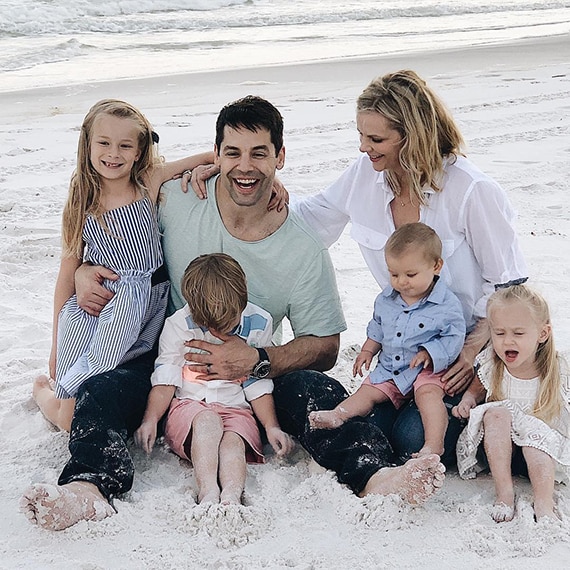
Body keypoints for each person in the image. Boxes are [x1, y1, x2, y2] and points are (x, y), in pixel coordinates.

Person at [23, 95, 445, 532]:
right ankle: (88, 489)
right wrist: (82, 275)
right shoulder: (178, 197)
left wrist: (260, 360)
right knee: (101, 390)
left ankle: (377, 475)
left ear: (280, 157)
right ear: (217, 155)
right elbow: (110, 235)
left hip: (249, 390)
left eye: (259, 154)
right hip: (164, 370)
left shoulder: (302, 248)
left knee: (315, 386)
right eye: (233, 153)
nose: (245, 167)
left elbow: (325, 346)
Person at [188, 70, 528, 463]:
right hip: (402, 352)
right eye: (361, 136)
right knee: (375, 429)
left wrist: (469, 355)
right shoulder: (364, 175)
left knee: (411, 435)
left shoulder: (472, 189)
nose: (365, 148)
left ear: (412, 135)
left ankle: (518, 440)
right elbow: (308, 223)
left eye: (377, 139)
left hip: (470, 350)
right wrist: (249, 180)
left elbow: (510, 288)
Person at [31, 99, 213, 432]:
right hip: (102, 310)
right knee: (69, 413)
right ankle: (44, 394)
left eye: (124, 145)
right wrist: (55, 348)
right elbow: (66, 276)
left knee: (92, 396)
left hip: (145, 310)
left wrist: (206, 169)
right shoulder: (81, 198)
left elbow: (214, 157)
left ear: (139, 151)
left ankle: (57, 399)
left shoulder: (148, 181)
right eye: (103, 143)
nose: (113, 154)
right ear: (87, 144)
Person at [134, 253, 293, 505]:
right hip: (191, 408)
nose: (218, 332)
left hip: (236, 408)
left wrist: (271, 426)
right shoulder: (178, 325)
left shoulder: (260, 322)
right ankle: (207, 490)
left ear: (242, 301)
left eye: (228, 324)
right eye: (208, 326)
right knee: (207, 421)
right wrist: (150, 420)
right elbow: (166, 377)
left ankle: (231, 495)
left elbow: (257, 383)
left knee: (233, 441)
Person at [309, 223, 466, 460]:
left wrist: (430, 352)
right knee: (369, 390)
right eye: (394, 274)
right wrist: (367, 351)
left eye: (410, 275)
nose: (402, 281)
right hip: (393, 365)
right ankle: (339, 413)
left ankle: (434, 445)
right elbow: (378, 328)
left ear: (436, 266)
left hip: (428, 369)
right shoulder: (386, 299)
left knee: (428, 395)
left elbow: (454, 336)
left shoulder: (446, 305)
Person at [452, 285, 569, 523]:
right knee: (496, 414)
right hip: (499, 453)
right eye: (500, 333)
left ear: (542, 334)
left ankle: (543, 501)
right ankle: (504, 493)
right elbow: (475, 390)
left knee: (536, 430)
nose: (507, 341)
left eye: (518, 333)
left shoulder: (557, 369)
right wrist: (466, 401)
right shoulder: (492, 364)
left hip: (540, 458)